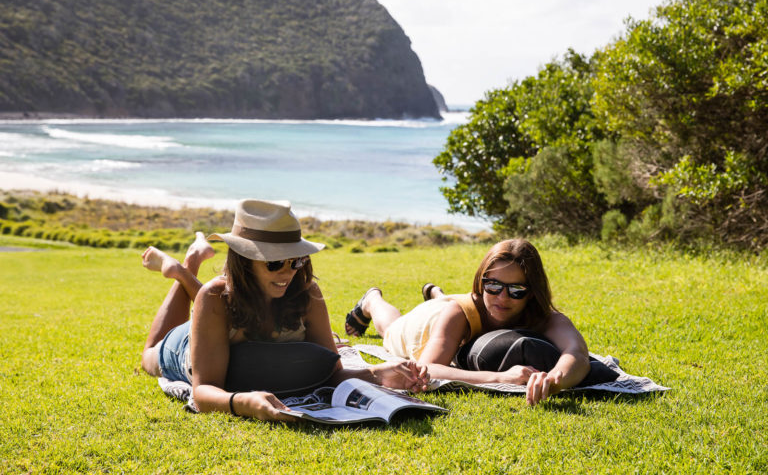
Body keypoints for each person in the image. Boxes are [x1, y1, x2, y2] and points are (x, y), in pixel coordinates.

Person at [141, 199, 429, 421]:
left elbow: (331, 371)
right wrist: (243, 403)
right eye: (275, 263)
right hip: (185, 349)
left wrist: (379, 373)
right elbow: (203, 393)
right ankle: (183, 267)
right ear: (244, 260)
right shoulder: (214, 296)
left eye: (297, 261)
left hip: (226, 310)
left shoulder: (307, 294)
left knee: (224, 297)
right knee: (148, 356)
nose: (288, 272)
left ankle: (185, 267)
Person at [344, 238, 592, 406]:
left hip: (459, 307)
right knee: (391, 329)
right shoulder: (459, 312)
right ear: (481, 281)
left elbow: (577, 353)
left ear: (532, 291)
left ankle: (436, 292)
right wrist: (501, 378)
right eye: (493, 285)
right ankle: (372, 300)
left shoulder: (544, 316)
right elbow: (428, 367)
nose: (503, 297)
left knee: (457, 304)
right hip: (429, 323)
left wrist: (554, 379)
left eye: (516, 289)